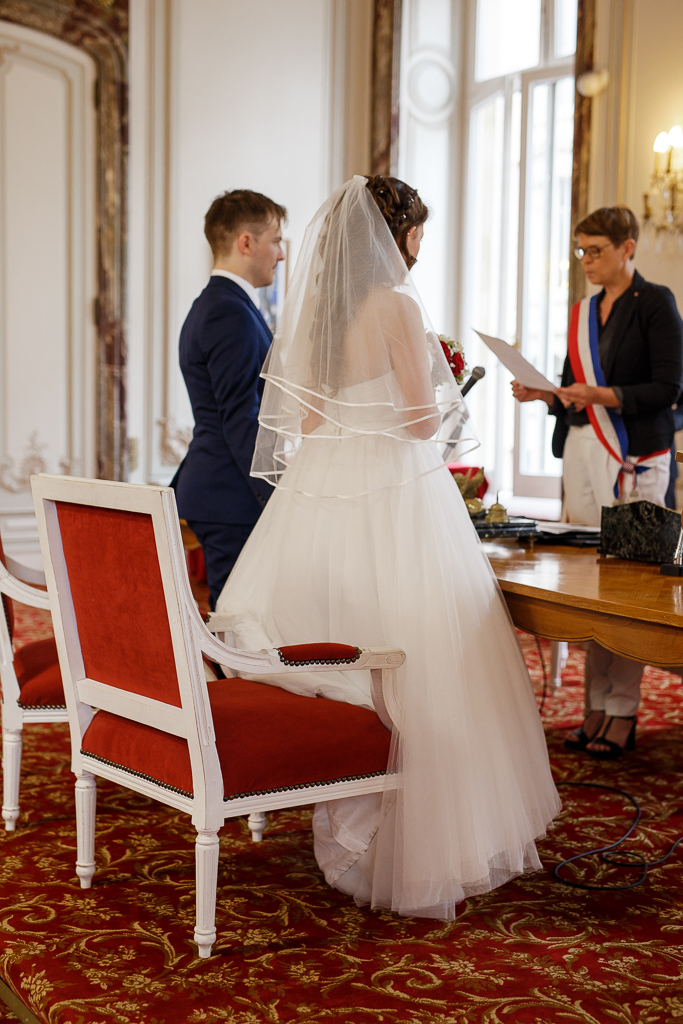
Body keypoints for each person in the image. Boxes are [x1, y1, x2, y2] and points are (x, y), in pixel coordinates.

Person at [213, 175, 560, 920]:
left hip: (322, 494)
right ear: (394, 235)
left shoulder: (323, 310)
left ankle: (347, 818)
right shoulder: (398, 303)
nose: (418, 251)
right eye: (417, 236)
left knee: (343, 642)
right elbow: (414, 423)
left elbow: (305, 426)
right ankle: (416, 841)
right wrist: (445, 389)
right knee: (428, 662)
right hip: (396, 495)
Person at [512, 206, 683, 759]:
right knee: (591, 587)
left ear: (627, 248)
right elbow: (571, 387)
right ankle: (593, 707)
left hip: (636, 453)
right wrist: (545, 395)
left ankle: (623, 711)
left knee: (627, 589)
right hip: (585, 451)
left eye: (596, 250)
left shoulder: (655, 303)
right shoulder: (583, 312)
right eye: (580, 250)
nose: (585, 259)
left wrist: (604, 397)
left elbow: (668, 388)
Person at [172, 189, 287, 608]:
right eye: (275, 240)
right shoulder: (228, 311)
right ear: (246, 242)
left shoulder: (220, 304)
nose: (281, 254)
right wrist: (276, 493)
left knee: (240, 613)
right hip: (231, 491)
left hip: (222, 484)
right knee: (236, 617)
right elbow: (241, 415)